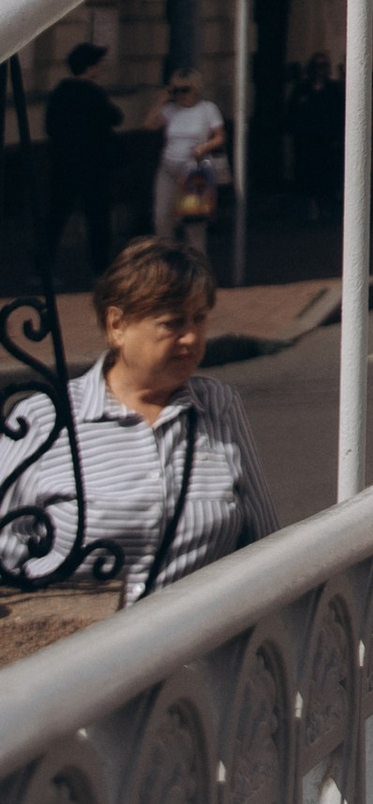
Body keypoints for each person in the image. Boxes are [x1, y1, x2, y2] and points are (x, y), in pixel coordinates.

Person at [19, 239, 277, 603]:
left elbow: (264, 543)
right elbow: (8, 552)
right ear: (117, 326)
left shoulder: (219, 406)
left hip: (195, 649)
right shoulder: (45, 418)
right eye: (172, 323)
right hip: (79, 653)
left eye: (199, 319)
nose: (191, 337)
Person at [43, 42, 121, 282]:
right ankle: (101, 268)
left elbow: (50, 126)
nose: (100, 69)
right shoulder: (94, 93)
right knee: (97, 218)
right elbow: (116, 117)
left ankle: (42, 268)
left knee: (55, 216)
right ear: (90, 67)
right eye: (98, 64)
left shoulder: (60, 92)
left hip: (64, 163)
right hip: (94, 165)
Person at [151, 71, 228, 252]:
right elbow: (149, 125)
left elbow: (220, 136)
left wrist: (204, 147)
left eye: (184, 90)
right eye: (175, 90)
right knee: (161, 219)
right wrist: (161, 100)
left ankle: (198, 269)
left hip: (194, 170)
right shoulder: (171, 110)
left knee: (194, 225)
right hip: (168, 169)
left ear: (196, 89)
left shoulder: (207, 109)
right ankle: (167, 266)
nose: (180, 95)